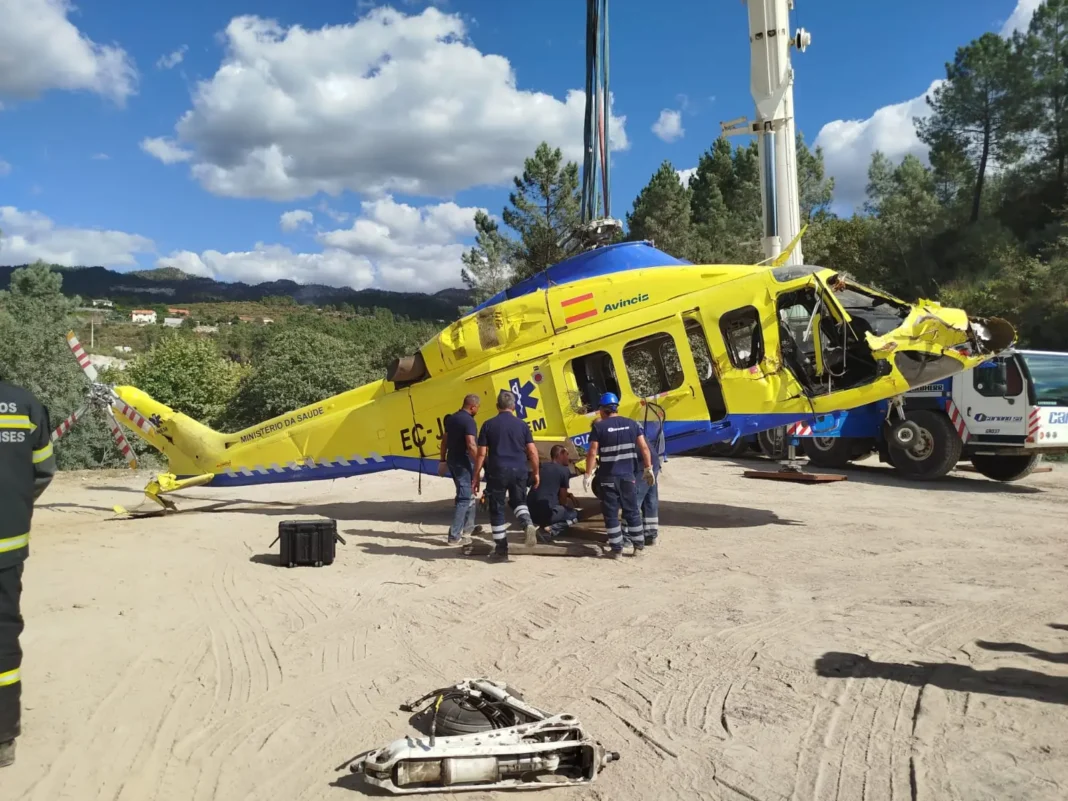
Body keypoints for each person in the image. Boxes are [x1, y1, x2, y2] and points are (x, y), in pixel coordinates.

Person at [0, 378, 56, 768]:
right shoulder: (24, 404)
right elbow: (42, 472)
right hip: (7, 544)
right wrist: (16, 504)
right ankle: (3, 736)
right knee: (3, 637)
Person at [582, 392, 654, 559]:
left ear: (603, 409)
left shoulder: (599, 427)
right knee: (632, 511)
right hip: (628, 476)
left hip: (608, 478)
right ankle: (638, 548)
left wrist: (587, 474)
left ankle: (617, 550)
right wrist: (648, 468)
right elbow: (644, 448)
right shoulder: (631, 424)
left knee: (611, 513)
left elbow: (592, 452)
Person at [472, 390, 539, 562]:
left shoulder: (488, 425)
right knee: (518, 502)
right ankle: (527, 523)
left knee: (497, 509)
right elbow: (532, 451)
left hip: (498, 471)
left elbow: (481, 454)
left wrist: (476, 475)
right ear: (514, 407)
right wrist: (536, 472)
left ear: (497, 407)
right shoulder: (522, 425)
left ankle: (501, 549)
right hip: (519, 470)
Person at [438, 394, 480, 545]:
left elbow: (444, 441)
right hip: (463, 462)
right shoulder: (469, 421)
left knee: (469, 494)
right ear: (472, 407)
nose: (477, 411)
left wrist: (442, 460)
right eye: (477, 408)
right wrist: (480, 462)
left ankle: (469, 528)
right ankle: (454, 536)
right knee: (464, 498)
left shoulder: (452, 419)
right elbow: (471, 444)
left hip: (452, 460)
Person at [526, 445, 579, 543]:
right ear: (561, 454)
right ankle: (550, 530)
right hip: (547, 513)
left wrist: (570, 495)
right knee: (575, 514)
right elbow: (562, 499)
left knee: (551, 507)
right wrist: (565, 508)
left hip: (530, 512)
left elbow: (543, 486)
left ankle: (543, 527)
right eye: (567, 454)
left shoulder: (540, 467)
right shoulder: (564, 471)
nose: (569, 457)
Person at [635, 418, 662, 547]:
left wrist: (647, 469)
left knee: (634, 500)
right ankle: (651, 535)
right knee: (650, 499)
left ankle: (629, 537)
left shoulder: (618, 430)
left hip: (645, 465)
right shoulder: (627, 425)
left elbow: (644, 450)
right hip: (652, 463)